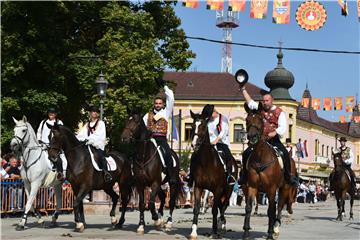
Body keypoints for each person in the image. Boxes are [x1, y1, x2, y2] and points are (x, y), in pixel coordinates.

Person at [239, 88, 298, 187]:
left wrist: (274, 133)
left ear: (272, 100)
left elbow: (283, 127)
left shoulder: (280, 112)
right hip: (259, 140)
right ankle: (244, 176)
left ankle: (288, 176)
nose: (265, 103)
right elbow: (249, 102)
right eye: (264, 101)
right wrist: (243, 89)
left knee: (284, 154)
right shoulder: (260, 108)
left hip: (273, 140)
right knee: (246, 153)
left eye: (267, 100)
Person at [143, 81, 178, 184]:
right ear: (154, 104)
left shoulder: (166, 112)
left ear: (163, 104)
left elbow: (171, 99)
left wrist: (166, 89)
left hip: (161, 139)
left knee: (168, 154)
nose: (158, 105)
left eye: (160, 103)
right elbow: (143, 127)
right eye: (156, 103)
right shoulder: (147, 115)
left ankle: (171, 176)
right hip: (150, 139)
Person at [201, 104, 236, 185]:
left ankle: (230, 175)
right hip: (208, 144)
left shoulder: (222, 119)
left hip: (221, 143)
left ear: (213, 112)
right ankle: (191, 175)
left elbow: (223, 132)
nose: (208, 117)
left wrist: (215, 141)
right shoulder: (207, 121)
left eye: (209, 115)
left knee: (228, 156)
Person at [77, 106, 112, 183]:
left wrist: (89, 140)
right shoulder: (87, 125)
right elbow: (81, 134)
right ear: (90, 113)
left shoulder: (101, 123)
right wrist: (78, 139)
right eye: (93, 111)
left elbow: (99, 135)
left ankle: (106, 173)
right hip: (87, 146)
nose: (94, 113)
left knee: (101, 157)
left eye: (96, 112)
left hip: (97, 146)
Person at [36, 107, 65, 181]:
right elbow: (39, 132)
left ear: (55, 114)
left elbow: (61, 134)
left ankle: (60, 173)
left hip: (53, 146)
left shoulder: (59, 122)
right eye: (50, 113)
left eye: (53, 113)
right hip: (42, 144)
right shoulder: (43, 122)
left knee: (57, 159)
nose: (51, 114)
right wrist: (39, 139)